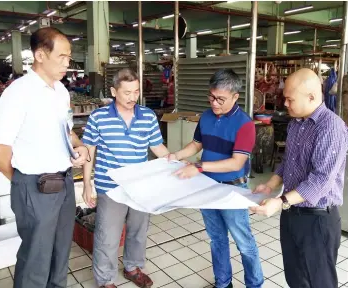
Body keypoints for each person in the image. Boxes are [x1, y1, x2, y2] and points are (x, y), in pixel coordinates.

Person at [0, 27, 89, 288]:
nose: (68, 64)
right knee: (36, 258)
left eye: (69, 57)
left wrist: (78, 147)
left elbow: (66, 131)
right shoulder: (18, 93)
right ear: (40, 55)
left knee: (60, 252)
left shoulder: (61, 92)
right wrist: (22, 181)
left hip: (65, 183)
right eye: (63, 57)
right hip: (34, 185)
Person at [251, 68, 348, 288]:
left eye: (289, 99)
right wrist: (270, 185)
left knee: (318, 281)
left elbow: (320, 180)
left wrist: (281, 201)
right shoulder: (296, 123)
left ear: (311, 97)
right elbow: (289, 163)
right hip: (292, 213)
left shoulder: (331, 127)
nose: (285, 104)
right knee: (295, 277)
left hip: (317, 220)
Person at [168, 68, 264, 288]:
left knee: (244, 242)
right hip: (207, 187)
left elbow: (236, 163)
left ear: (235, 97)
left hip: (232, 190)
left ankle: (255, 284)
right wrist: (176, 155)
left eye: (220, 99)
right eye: (211, 97)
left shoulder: (245, 125)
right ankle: (223, 283)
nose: (214, 103)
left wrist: (199, 166)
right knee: (217, 239)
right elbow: (196, 144)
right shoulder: (206, 116)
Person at [82, 68, 170, 288]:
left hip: (140, 186)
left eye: (136, 91)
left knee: (138, 231)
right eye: (127, 92)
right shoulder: (99, 117)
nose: (133, 97)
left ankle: (132, 267)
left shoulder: (148, 116)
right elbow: (89, 151)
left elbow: (157, 146)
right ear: (113, 91)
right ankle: (105, 280)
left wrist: (176, 161)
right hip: (111, 187)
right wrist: (86, 184)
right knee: (107, 236)